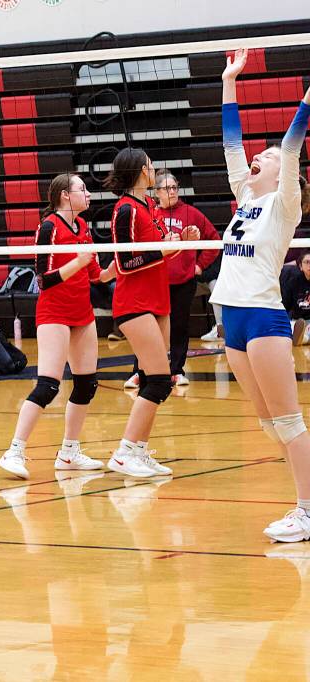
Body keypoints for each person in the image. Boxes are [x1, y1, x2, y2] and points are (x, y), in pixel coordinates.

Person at [212, 48, 310, 542]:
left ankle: (307, 509)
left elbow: (291, 148)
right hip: (232, 318)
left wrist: (308, 102)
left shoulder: (283, 205)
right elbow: (231, 141)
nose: (256, 158)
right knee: (269, 424)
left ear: (283, 173)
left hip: (265, 319)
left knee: (288, 421)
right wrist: (231, 79)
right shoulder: (246, 197)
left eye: (264, 157)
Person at [0, 174, 116, 479]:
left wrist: (116, 268)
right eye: (82, 190)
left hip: (82, 313)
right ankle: (14, 451)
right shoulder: (49, 227)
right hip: (54, 313)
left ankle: (69, 452)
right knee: (49, 385)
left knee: (87, 384)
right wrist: (77, 261)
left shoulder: (84, 228)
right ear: (65, 195)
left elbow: (95, 276)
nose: (88, 195)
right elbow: (43, 279)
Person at [104, 147, 195, 478]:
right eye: (152, 167)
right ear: (142, 171)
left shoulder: (149, 207)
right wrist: (163, 248)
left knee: (155, 380)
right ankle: (125, 452)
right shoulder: (125, 209)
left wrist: (180, 243)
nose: (155, 170)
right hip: (135, 303)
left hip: (158, 302)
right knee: (158, 380)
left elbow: (156, 259)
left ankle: (140, 451)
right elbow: (126, 263)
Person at [122, 170, 220, 388]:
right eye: (167, 188)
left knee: (179, 326)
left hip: (183, 282)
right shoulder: (149, 213)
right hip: (153, 281)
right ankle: (140, 372)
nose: (172, 191)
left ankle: (176, 371)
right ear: (156, 192)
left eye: (175, 187)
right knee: (148, 329)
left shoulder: (191, 213)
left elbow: (214, 239)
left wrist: (199, 266)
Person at [280, 252, 310, 345]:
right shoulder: (293, 282)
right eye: (307, 262)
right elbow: (285, 305)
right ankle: (302, 338)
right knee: (288, 329)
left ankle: (303, 339)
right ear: (300, 266)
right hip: (297, 321)